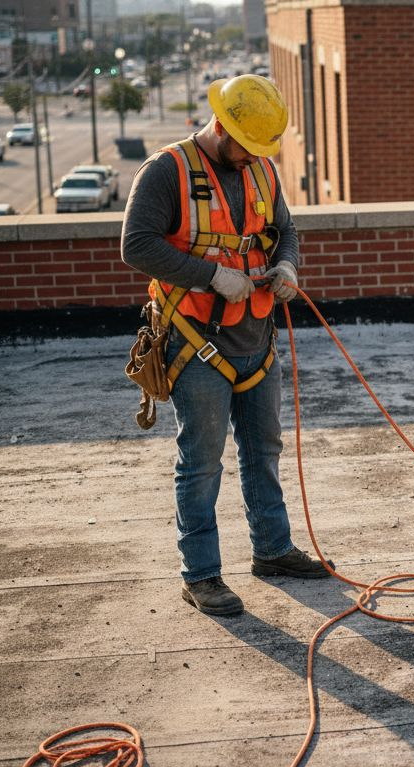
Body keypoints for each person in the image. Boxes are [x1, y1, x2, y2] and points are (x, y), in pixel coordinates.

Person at [121, 74, 327, 616]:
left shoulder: (261, 166)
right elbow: (136, 245)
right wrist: (209, 276)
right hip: (196, 343)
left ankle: (273, 550)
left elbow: (285, 229)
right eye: (246, 145)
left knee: (264, 451)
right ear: (221, 126)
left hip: (256, 338)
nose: (253, 156)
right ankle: (202, 575)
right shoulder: (168, 172)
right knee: (202, 461)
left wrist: (286, 264)